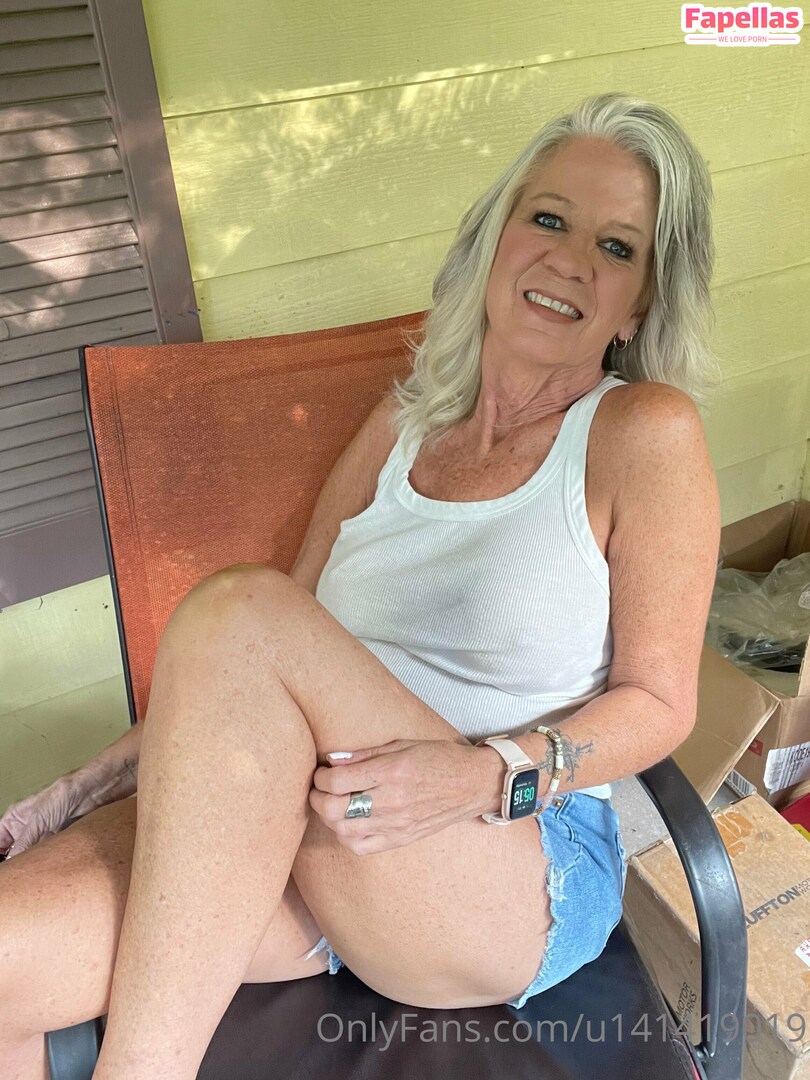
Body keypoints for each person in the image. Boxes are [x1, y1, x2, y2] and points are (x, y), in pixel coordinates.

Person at [0, 92, 722, 1079]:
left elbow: (661, 702)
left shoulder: (643, 433)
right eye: (549, 218)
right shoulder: (402, 421)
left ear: (639, 302)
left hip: (500, 853)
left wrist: (486, 774)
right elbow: (256, 669)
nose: (570, 260)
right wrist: (93, 781)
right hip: (306, 826)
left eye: (616, 246)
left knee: (243, 606)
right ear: (497, 237)